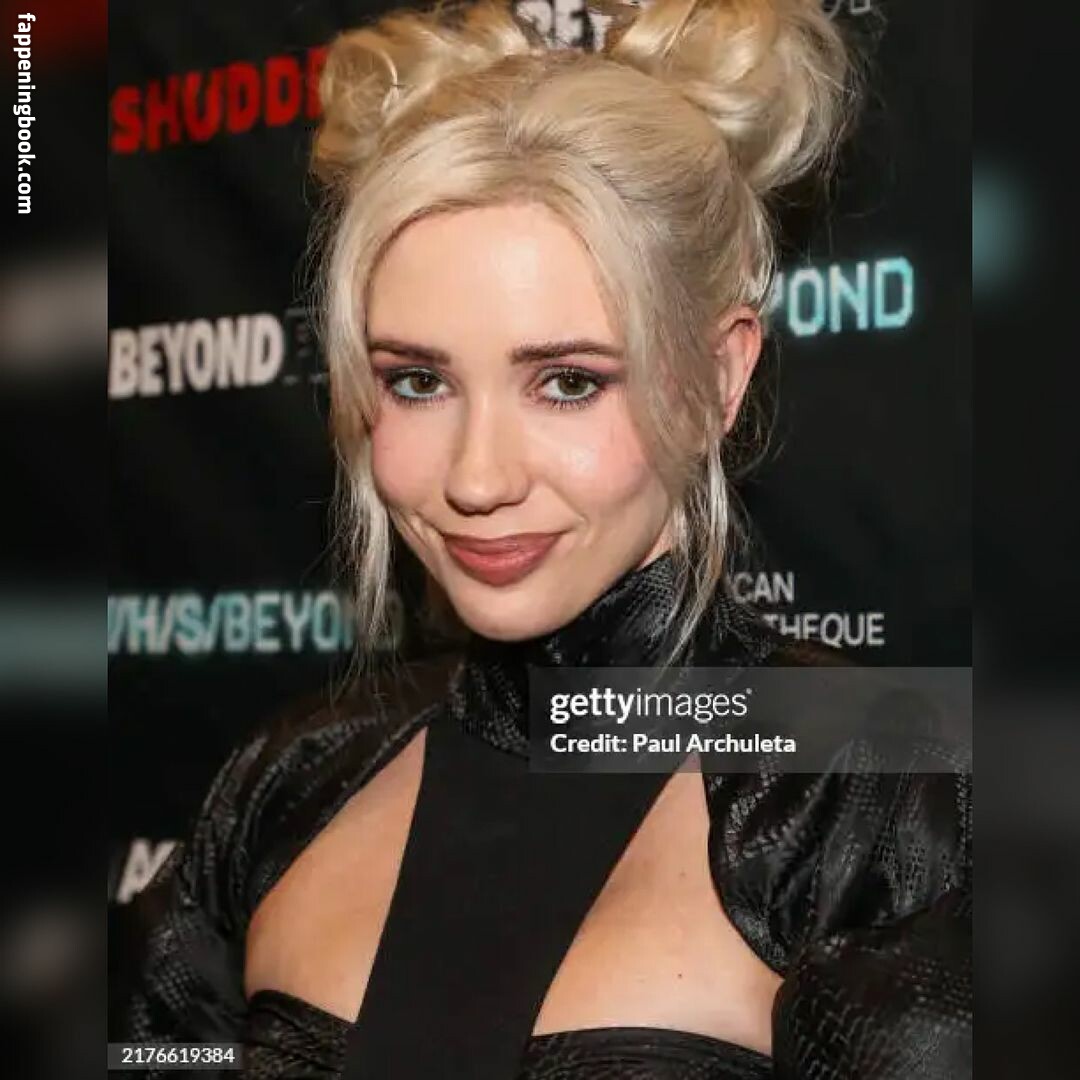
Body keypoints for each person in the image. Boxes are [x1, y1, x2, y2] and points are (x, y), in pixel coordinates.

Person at [118, 1, 972, 1077]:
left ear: (718, 377)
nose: (478, 478)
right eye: (417, 382)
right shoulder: (288, 781)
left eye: (567, 382)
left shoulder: (874, 797)